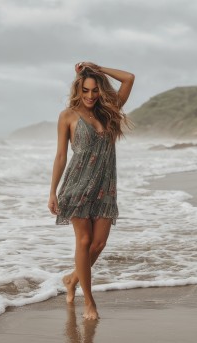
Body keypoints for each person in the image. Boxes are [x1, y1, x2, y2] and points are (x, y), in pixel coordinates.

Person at [48, 62, 134, 320]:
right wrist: (52, 191)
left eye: (95, 90)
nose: (89, 96)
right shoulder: (67, 116)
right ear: (78, 89)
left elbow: (129, 78)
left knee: (99, 243)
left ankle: (72, 279)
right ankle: (89, 302)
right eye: (85, 90)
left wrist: (98, 68)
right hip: (77, 187)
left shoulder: (109, 110)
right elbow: (61, 155)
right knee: (84, 242)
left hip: (105, 187)